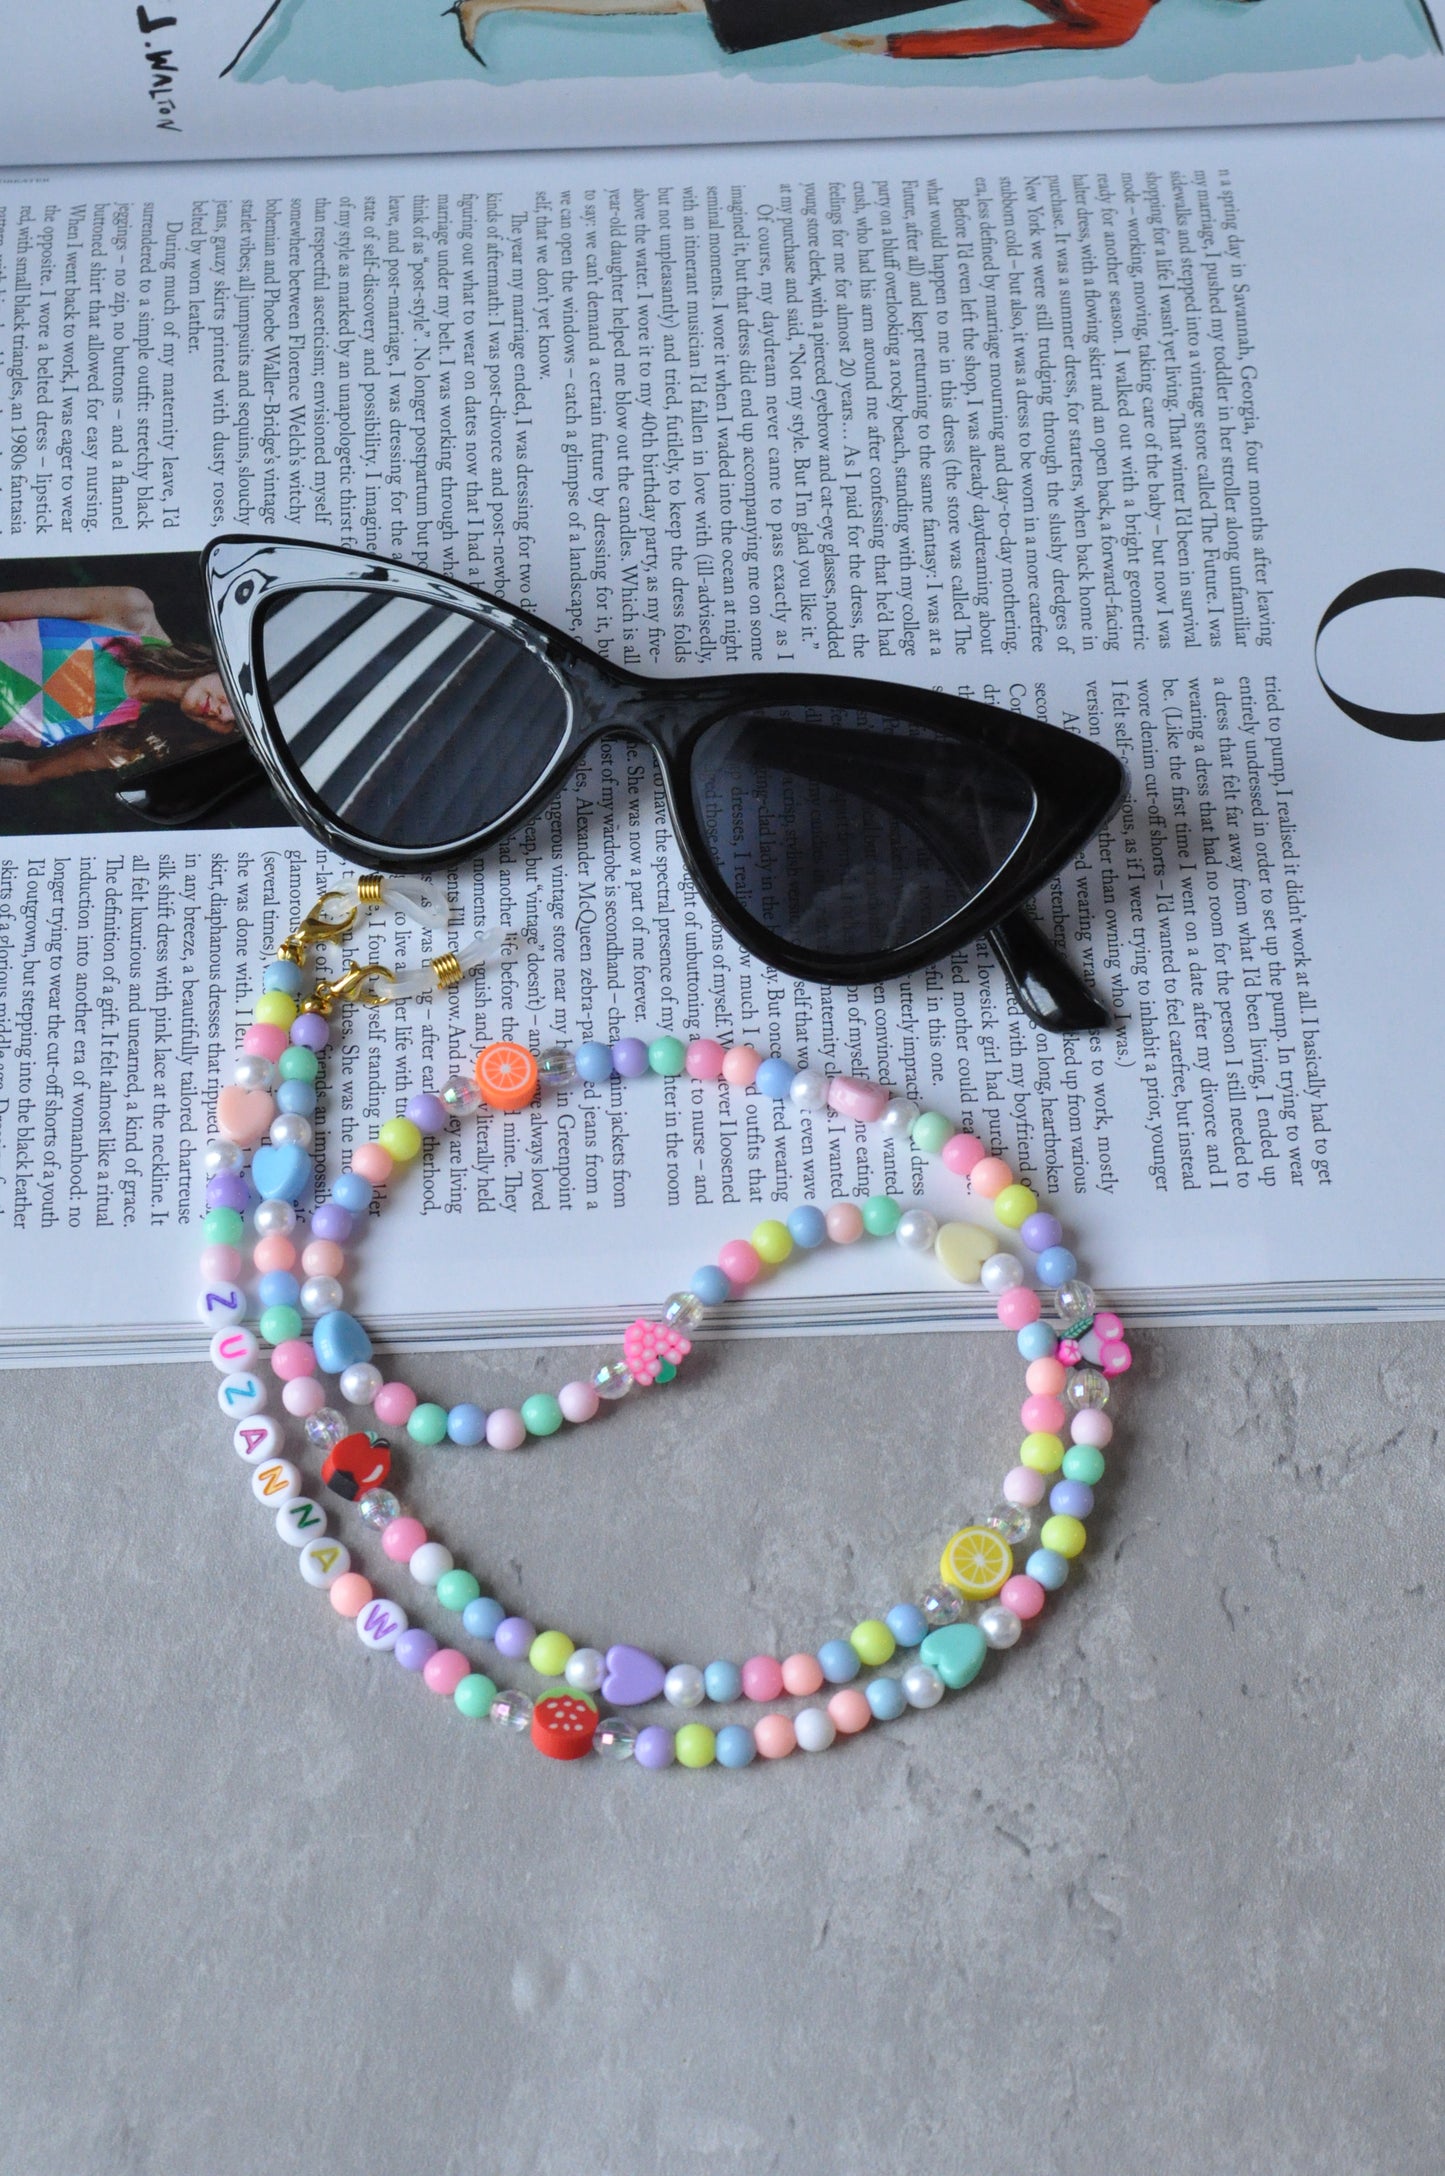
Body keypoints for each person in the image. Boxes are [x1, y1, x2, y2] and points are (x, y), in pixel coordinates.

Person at [452, 0, 1257, 61]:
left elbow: (995, 41)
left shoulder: (1119, 18)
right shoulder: (1118, 23)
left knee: (696, 3)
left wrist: (889, 45)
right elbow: (999, 40)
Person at [0, 583, 236, 788]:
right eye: (239, 702)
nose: (224, 715)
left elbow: (29, 773)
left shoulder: (126, 743)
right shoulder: (131, 610)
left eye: (235, 727)